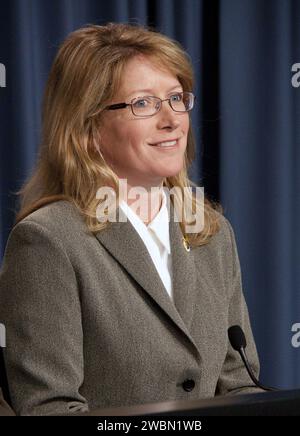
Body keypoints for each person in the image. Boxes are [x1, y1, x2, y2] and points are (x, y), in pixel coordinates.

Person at [0, 23, 262, 416]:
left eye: (176, 98)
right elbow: (49, 408)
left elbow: (239, 385)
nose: (172, 119)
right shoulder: (49, 240)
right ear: (87, 129)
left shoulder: (211, 232)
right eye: (143, 103)